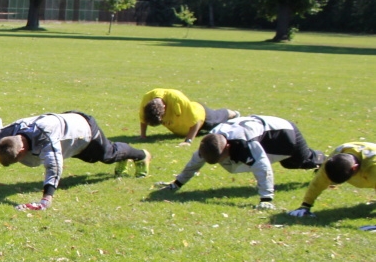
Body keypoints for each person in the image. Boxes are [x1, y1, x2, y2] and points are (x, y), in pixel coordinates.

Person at [0, 112, 150, 210]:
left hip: (84, 132)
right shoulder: (6, 134)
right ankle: (125, 157)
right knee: (106, 157)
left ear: (23, 150)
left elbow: (54, 168)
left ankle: (141, 155)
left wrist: (45, 201)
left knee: (108, 155)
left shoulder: (46, 140)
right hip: (67, 132)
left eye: (19, 160)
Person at [155, 115, 324, 208]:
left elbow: (262, 167)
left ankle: (326, 162)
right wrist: (176, 185)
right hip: (264, 135)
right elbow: (194, 164)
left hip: (284, 135)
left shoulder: (245, 143)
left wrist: (266, 199)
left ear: (227, 146)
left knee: (301, 162)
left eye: (222, 159)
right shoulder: (210, 142)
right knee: (288, 164)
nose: (223, 162)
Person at [286, 142, 376, 217]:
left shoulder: (372, 168)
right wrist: (305, 205)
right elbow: (318, 182)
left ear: (355, 168)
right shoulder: (334, 159)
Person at [139, 88, 238, 146]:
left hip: (203, 117)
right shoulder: (147, 99)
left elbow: (196, 121)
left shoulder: (177, 99)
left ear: (165, 107)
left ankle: (233, 114)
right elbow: (143, 118)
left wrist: (188, 141)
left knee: (217, 119)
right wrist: (143, 136)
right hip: (183, 126)